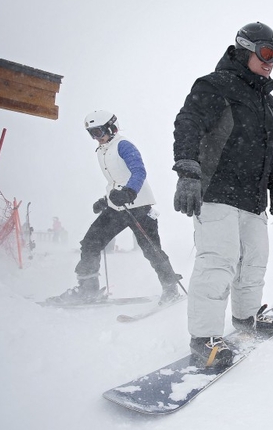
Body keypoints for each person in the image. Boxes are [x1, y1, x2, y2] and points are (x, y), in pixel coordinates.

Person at [172, 21, 273, 368]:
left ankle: (246, 316)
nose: (271, 61)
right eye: (267, 53)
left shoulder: (272, 106)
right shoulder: (215, 85)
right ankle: (204, 336)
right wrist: (188, 171)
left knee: (254, 261)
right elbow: (188, 123)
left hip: (253, 198)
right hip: (218, 189)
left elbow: (272, 150)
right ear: (245, 48)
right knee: (219, 261)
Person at [57, 110, 180, 303]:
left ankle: (170, 288)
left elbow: (138, 171)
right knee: (90, 243)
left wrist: (130, 192)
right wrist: (105, 200)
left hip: (139, 207)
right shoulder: (102, 151)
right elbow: (116, 181)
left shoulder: (123, 145)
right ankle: (88, 290)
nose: (95, 138)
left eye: (98, 132)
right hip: (116, 208)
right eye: (91, 134)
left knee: (151, 250)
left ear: (111, 128)